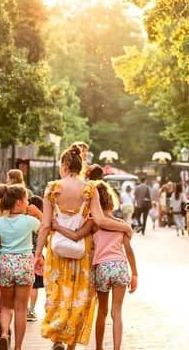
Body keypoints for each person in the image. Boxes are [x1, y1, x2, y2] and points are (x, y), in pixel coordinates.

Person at [34, 144, 133, 350]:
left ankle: (57, 339)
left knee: (57, 293)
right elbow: (100, 220)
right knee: (78, 296)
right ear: (80, 167)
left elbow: (45, 225)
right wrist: (124, 226)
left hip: (58, 250)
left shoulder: (52, 188)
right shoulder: (89, 189)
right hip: (82, 251)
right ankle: (71, 344)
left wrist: (37, 254)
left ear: (64, 166)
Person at [51, 182, 138, 350]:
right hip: (120, 267)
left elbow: (76, 236)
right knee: (117, 312)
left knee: (102, 312)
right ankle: (117, 348)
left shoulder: (93, 223)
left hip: (102, 269)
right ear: (111, 201)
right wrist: (135, 273)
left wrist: (57, 227)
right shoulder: (120, 224)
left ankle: (99, 347)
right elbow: (129, 250)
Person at [0, 184, 42, 350]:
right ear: (19, 202)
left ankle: (4, 334)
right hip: (24, 264)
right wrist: (38, 213)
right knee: (21, 309)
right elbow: (47, 226)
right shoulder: (29, 221)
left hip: (6, 264)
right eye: (26, 200)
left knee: (6, 306)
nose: (28, 203)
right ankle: (18, 347)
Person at [27, 196, 46, 322]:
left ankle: (23, 308)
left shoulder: (25, 221)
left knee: (25, 284)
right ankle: (31, 310)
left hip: (25, 255)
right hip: (37, 256)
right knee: (34, 286)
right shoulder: (40, 222)